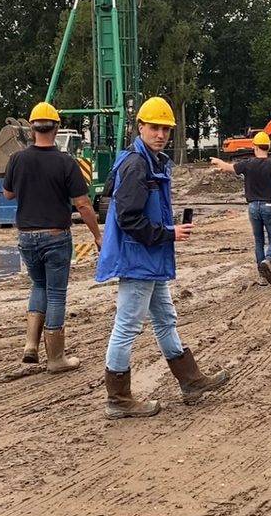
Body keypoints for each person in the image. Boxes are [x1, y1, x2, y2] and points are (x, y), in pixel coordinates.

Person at [95, 96, 230, 419]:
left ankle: (191, 381)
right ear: (140, 127)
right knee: (127, 326)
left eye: (166, 129)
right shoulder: (136, 165)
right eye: (155, 128)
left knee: (165, 319)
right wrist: (169, 233)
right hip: (139, 259)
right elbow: (129, 219)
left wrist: (167, 233)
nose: (161, 134)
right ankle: (118, 399)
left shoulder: (149, 161)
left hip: (150, 258)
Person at [3, 101, 102, 368]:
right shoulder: (66, 163)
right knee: (56, 293)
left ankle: (31, 346)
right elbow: (82, 204)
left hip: (26, 236)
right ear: (56, 128)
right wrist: (97, 234)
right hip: (56, 236)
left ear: (31, 127)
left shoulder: (17, 159)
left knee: (38, 285)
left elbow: (8, 193)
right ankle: (56, 358)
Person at [209, 132, 271, 285]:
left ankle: (262, 277)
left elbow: (229, 167)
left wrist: (218, 161)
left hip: (253, 207)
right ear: (268, 146)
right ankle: (268, 261)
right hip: (269, 207)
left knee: (259, 240)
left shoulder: (247, 164)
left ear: (254, 147)